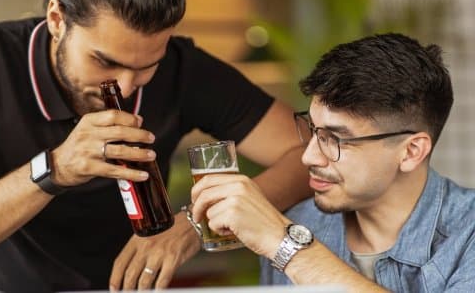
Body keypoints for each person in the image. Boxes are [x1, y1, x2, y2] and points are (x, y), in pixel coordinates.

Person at [0, 0, 311, 292]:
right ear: (57, 19)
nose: (126, 87)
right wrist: (55, 168)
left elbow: (308, 152)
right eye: (105, 61)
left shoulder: (184, 69)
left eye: (148, 66)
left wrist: (196, 224)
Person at [191, 33, 475, 292]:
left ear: (412, 151)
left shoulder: (467, 233)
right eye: (313, 130)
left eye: (336, 139)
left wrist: (287, 246)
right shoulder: (298, 222)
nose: (308, 157)